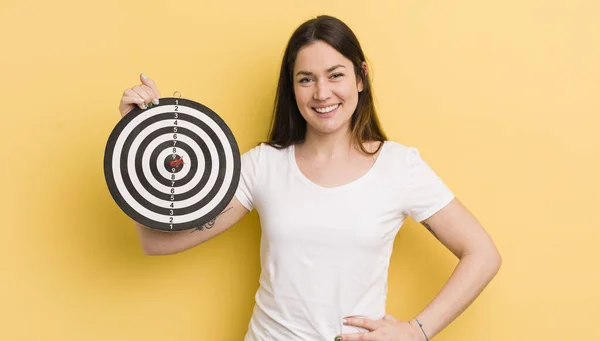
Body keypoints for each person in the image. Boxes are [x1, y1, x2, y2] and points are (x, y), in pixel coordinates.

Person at [117, 15, 502, 341]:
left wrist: (417, 331)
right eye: (306, 79)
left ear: (360, 78)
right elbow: (156, 241)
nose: (322, 93)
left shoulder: (399, 166)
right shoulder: (262, 166)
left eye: (336, 75)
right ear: (293, 86)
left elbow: (483, 254)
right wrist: (139, 136)